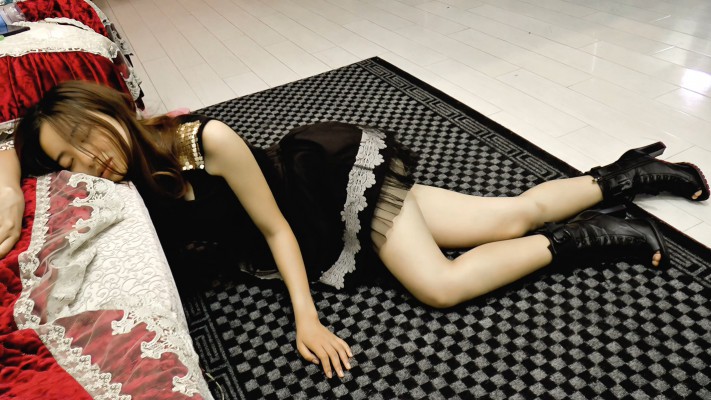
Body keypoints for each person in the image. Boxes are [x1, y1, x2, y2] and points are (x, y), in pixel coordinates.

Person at [4, 81, 709, 380]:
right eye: (68, 162)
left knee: (440, 284)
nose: (88, 162)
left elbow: (275, 229)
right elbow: (8, 142)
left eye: (84, 140)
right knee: (507, 216)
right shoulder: (120, 190)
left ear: (103, 111)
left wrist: (304, 318)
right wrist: (11, 182)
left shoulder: (204, 139)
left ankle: (597, 231)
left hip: (331, 187)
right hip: (324, 226)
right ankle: (625, 175)